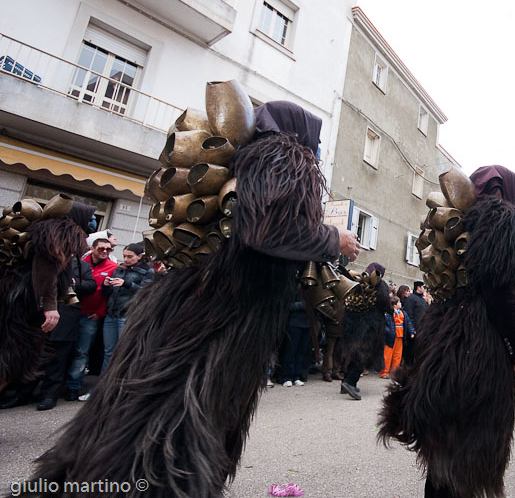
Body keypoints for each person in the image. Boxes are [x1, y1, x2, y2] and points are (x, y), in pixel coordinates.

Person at [25, 100, 361, 498]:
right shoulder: (284, 154)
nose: (318, 153)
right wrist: (330, 238)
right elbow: (266, 231)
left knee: (134, 417)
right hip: (220, 316)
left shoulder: (247, 161)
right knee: (173, 430)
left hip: (194, 307)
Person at [378, 165, 515, 498]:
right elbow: (499, 293)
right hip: (477, 347)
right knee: (468, 448)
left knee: (441, 444)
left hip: (440, 340)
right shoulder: (502, 220)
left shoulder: (458, 222)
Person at [0, 201, 97, 410]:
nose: (93, 221)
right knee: (11, 360)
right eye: (90, 216)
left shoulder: (52, 230)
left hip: (17, 299)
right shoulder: (63, 233)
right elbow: (48, 269)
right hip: (23, 303)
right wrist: (50, 306)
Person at [63, 237, 118, 401]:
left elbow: (109, 295)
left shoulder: (113, 268)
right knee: (65, 349)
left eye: (108, 249)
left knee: (82, 351)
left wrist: (99, 313)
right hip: (71, 312)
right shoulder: (79, 263)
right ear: (92, 249)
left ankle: (73, 385)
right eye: (101, 248)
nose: (105, 252)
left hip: (90, 317)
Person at [100, 243, 155, 374]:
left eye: (130, 256)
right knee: (108, 352)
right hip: (112, 314)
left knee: (123, 353)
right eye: (124, 256)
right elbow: (107, 294)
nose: (125, 259)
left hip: (128, 316)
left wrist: (127, 284)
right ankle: (100, 386)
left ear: (139, 256)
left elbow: (146, 293)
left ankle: (114, 386)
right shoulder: (119, 269)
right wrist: (106, 285)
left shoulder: (148, 271)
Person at [340, 262, 390, 400]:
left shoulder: (358, 282)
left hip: (352, 324)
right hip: (370, 327)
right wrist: (390, 309)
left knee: (351, 352)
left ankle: (344, 381)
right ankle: (350, 382)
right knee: (363, 355)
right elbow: (385, 303)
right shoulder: (380, 286)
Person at [278, 285, 312, 387]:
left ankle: (297, 376)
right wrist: (303, 305)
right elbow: (287, 305)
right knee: (290, 351)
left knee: (301, 352)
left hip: (306, 324)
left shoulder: (310, 289)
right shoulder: (292, 288)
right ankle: (287, 376)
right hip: (294, 324)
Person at [380, 296, 414, 379]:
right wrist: (388, 333)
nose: (400, 303)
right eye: (399, 302)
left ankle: (394, 372)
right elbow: (385, 325)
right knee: (387, 355)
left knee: (397, 355)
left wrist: (412, 331)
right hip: (391, 337)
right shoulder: (388, 314)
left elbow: (408, 322)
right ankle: (384, 372)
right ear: (394, 305)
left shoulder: (403, 313)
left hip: (400, 336)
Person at [401, 280, 427, 365]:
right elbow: (408, 314)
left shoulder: (423, 300)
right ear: (418, 287)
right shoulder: (411, 298)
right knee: (410, 351)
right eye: (423, 287)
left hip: (422, 330)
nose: (424, 289)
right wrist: (412, 329)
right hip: (414, 330)